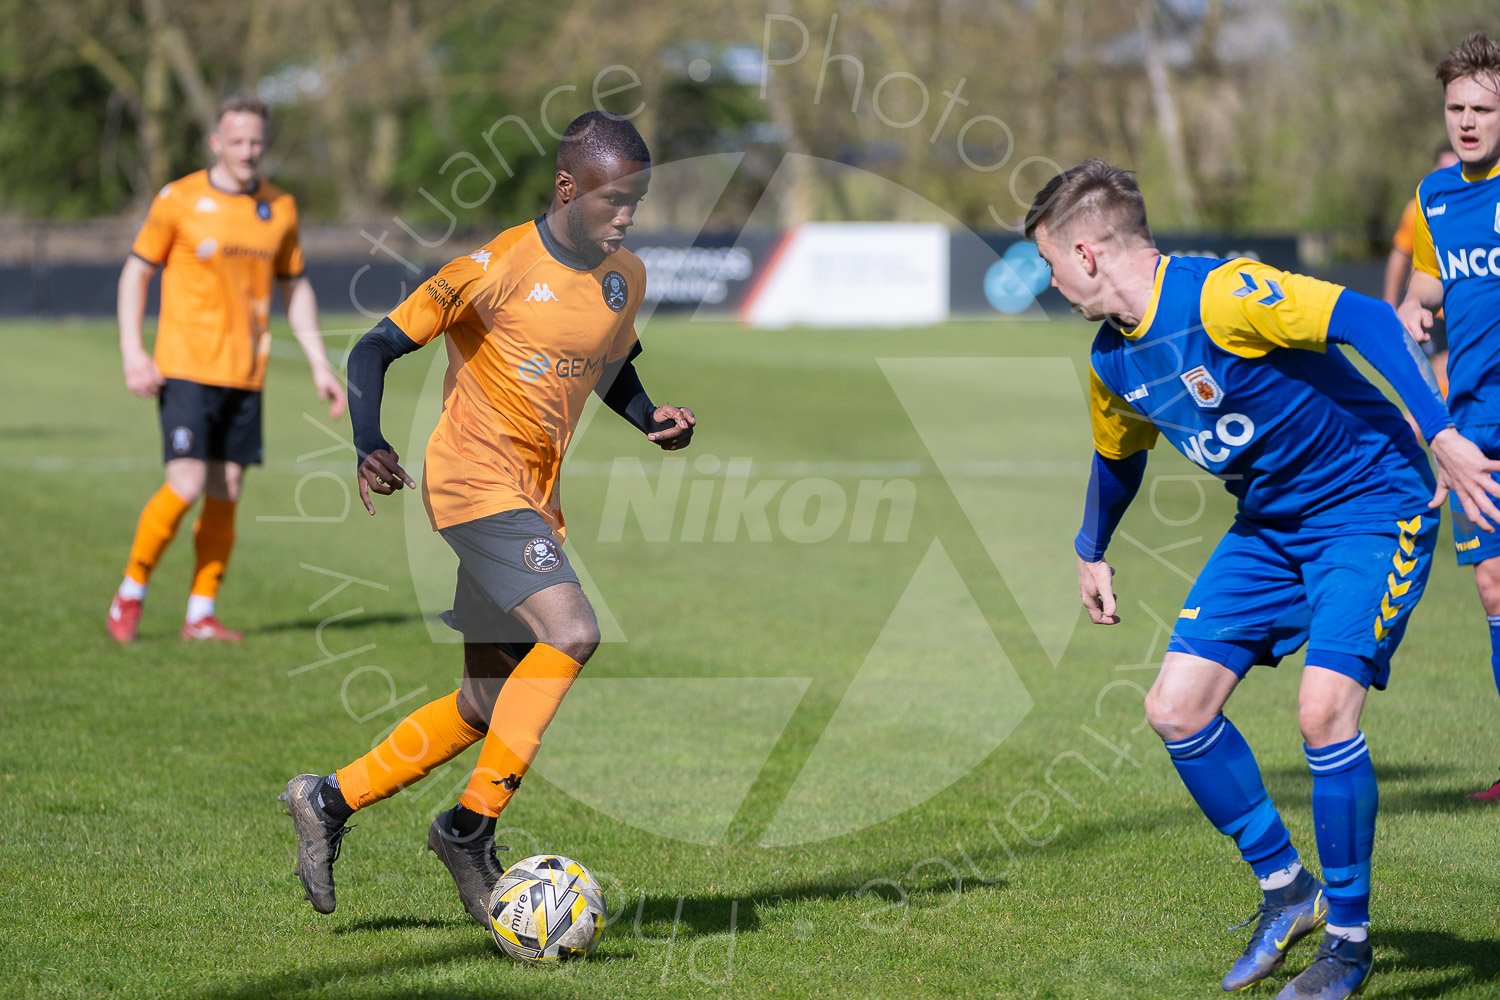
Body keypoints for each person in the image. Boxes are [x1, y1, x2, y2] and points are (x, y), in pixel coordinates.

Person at [1025, 159, 1500, 999]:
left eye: (1051, 263)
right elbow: (1115, 459)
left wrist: (1441, 434)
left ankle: (1348, 945)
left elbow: (1365, 318)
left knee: (1323, 713)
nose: (1052, 283)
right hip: (1269, 530)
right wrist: (1089, 547)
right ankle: (1288, 889)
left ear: (1088, 252)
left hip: (1370, 509)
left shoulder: (1225, 294)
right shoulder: (1111, 362)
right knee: (1173, 708)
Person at [279, 111, 695, 926]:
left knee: (483, 701)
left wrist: (650, 419)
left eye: (639, 200)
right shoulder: (495, 266)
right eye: (617, 200)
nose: (629, 216)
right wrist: (368, 440)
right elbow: (373, 348)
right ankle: (467, 829)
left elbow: (611, 368)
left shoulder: (624, 278)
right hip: (473, 485)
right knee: (571, 631)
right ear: (567, 188)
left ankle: (328, 799)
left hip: (534, 498)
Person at [107, 95, 346, 643]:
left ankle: (200, 613)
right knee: (186, 481)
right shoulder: (180, 198)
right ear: (216, 142)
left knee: (227, 488)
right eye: (236, 141)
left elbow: (296, 284)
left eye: (256, 142)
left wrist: (319, 363)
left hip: (246, 371)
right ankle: (131, 592)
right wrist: (131, 349)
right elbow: (135, 273)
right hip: (186, 364)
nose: (247, 151)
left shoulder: (279, 206)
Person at [1396, 32, 1500, 804]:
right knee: (1494, 589)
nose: (1467, 122)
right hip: (1471, 430)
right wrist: (1412, 303)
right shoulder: (1435, 193)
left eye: (1483, 109)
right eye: (1456, 108)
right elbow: (1437, 278)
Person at [1384, 144, 1459, 396]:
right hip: (1434, 311)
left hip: (1466, 312)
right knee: (1442, 375)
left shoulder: (1479, 203)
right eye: (1443, 166)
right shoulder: (1420, 206)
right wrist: (1392, 304)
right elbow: (1399, 256)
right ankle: (1417, 429)